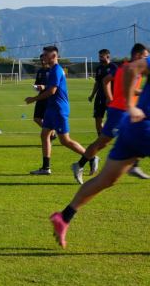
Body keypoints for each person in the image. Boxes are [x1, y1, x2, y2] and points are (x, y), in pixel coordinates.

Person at [50, 54, 150, 248]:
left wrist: (131, 105)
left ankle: (64, 216)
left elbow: (130, 69)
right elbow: (131, 69)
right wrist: (130, 103)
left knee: (106, 179)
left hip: (132, 127)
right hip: (144, 129)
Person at [71, 43, 149, 184]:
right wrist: (110, 98)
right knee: (103, 142)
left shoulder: (126, 67)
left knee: (125, 136)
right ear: (137, 55)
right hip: (119, 110)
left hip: (126, 110)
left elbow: (110, 82)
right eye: (145, 56)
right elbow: (108, 82)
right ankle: (80, 165)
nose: (146, 60)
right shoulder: (127, 68)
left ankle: (133, 164)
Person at [25, 46, 87, 176]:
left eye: (46, 55)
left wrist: (34, 99)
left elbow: (52, 91)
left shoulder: (57, 70)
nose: (43, 57)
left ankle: (90, 157)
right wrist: (43, 87)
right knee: (44, 135)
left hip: (59, 109)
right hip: (51, 109)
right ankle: (46, 168)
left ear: (53, 56)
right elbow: (52, 87)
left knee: (65, 140)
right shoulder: (52, 70)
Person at [89, 49, 117, 136]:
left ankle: (112, 136)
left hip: (111, 97)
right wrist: (92, 95)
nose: (100, 58)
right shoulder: (99, 68)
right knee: (98, 118)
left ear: (108, 56)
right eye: (99, 56)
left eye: (101, 56)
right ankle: (100, 138)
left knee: (112, 119)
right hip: (99, 97)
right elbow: (97, 82)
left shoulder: (114, 67)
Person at [32, 54, 57, 141]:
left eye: (44, 60)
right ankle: (52, 131)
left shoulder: (52, 71)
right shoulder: (40, 71)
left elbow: (54, 86)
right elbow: (37, 82)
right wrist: (36, 86)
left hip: (49, 97)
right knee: (36, 118)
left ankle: (51, 133)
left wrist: (44, 87)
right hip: (41, 97)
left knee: (47, 118)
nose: (42, 62)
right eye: (41, 60)